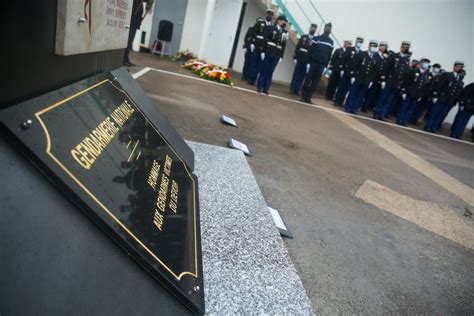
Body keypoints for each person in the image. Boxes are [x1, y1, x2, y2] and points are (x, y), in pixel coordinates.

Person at [373, 40, 411, 120]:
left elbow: (405, 72)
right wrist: (383, 79)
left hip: (397, 83)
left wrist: (401, 83)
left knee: (389, 100)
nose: (405, 49)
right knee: (382, 98)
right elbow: (386, 67)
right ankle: (377, 113)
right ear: (401, 47)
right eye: (404, 47)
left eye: (407, 48)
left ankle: (382, 114)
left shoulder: (407, 59)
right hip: (389, 81)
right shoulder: (394, 56)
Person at [425, 61, 465, 133]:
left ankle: (434, 127)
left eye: (461, 67)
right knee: (434, 113)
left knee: (441, 115)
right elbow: (439, 85)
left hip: (449, 100)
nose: (459, 68)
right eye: (458, 67)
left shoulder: (459, 78)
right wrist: (435, 95)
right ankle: (428, 126)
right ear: (454, 67)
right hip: (441, 98)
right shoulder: (447, 75)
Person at [300, 23, 334, 104]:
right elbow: (311, 50)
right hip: (313, 63)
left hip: (321, 65)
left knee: (315, 82)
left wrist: (326, 66)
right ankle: (303, 96)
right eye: (327, 27)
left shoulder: (331, 42)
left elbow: (329, 55)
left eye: (329, 28)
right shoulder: (316, 38)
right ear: (324, 28)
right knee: (308, 79)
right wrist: (308, 62)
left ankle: (309, 97)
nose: (328, 29)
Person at [344, 40, 381, 114]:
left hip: (367, 80)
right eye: (373, 46)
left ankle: (354, 108)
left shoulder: (376, 58)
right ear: (369, 46)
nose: (374, 48)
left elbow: (374, 71)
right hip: (358, 77)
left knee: (360, 95)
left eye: (375, 47)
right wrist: (353, 76)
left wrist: (371, 81)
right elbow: (355, 65)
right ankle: (348, 107)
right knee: (353, 93)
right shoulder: (362, 54)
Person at [256, 14, 288, 95]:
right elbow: (264, 39)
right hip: (268, 51)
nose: (282, 22)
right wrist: (263, 51)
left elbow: (283, 45)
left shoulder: (284, 32)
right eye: (281, 20)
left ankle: (266, 88)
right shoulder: (270, 28)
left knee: (270, 71)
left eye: (283, 21)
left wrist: (281, 56)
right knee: (264, 69)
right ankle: (259, 86)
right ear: (278, 20)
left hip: (277, 53)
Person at [396, 58, 431, 126]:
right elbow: (406, 81)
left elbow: (424, 86)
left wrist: (421, 95)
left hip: (417, 94)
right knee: (404, 107)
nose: (426, 65)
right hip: (409, 92)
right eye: (425, 63)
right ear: (421, 63)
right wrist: (403, 91)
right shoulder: (413, 71)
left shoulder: (425, 74)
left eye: (427, 63)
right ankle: (399, 119)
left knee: (411, 109)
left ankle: (404, 120)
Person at [334, 36, 364, 106]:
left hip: (353, 74)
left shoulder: (361, 53)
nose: (359, 43)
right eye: (358, 41)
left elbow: (359, 65)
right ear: (356, 41)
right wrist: (342, 68)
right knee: (341, 86)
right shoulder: (350, 49)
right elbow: (344, 58)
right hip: (346, 70)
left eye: (361, 42)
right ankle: (337, 100)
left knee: (347, 88)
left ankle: (341, 101)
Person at [247, 9, 274, 85]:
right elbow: (253, 32)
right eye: (268, 14)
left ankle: (254, 79)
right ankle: (250, 79)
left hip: (265, 48)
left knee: (259, 65)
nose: (269, 15)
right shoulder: (260, 23)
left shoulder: (272, 26)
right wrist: (252, 43)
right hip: (257, 44)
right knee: (253, 63)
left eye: (271, 14)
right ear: (266, 14)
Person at [124, 0, 154, 66]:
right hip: (131, 23)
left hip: (135, 24)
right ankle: (124, 59)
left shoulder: (139, 3)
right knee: (128, 42)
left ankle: (125, 58)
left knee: (130, 42)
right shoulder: (134, 2)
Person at [290, 24, 317, 96]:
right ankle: (292, 88)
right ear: (309, 28)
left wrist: (310, 62)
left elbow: (314, 51)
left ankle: (297, 89)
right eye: (312, 28)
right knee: (296, 74)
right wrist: (295, 57)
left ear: (315, 30)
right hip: (300, 58)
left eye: (314, 29)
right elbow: (298, 47)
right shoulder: (303, 37)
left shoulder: (315, 40)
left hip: (307, 61)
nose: (312, 30)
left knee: (302, 76)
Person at [361, 41, 389, 112]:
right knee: (368, 93)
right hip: (373, 77)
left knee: (373, 94)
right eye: (382, 47)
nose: (384, 49)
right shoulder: (375, 55)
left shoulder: (384, 57)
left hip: (378, 79)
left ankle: (368, 106)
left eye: (385, 47)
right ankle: (363, 106)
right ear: (380, 47)